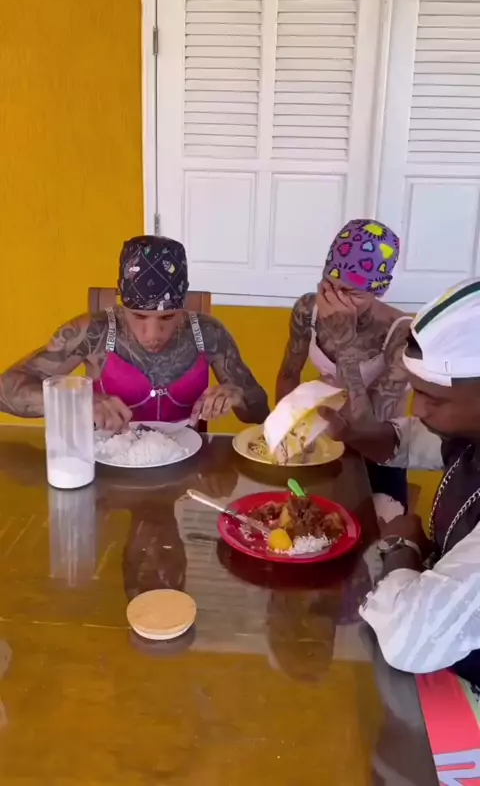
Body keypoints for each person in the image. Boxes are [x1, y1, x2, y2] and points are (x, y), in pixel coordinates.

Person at [321, 277, 480, 683]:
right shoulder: (468, 431)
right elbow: (408, 440)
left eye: (433, 398)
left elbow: (410, 640)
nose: (418, 409)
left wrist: (402, 548)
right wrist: (355, 433)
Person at [0, 235, 269, 431]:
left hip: (187, 474)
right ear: (122, 303)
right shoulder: (92, 332)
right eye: (138, 316)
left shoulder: (208, 333)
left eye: (167, 317)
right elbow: (5, 390)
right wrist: (76, 402)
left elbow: (260, 412)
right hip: (107, 472)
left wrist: (238, 395)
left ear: (182, 306)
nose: (152, 334)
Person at [276, 218, 411, 512]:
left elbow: (368, 427)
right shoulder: (307, 309)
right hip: (322, 444)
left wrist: (346, 343)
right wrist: (285, 431)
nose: (336, 300)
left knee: (371, 531)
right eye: (329, 285)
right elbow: (289, 374)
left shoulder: (401, 332)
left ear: (378, 290)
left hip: (378, 457)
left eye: (351, 293)